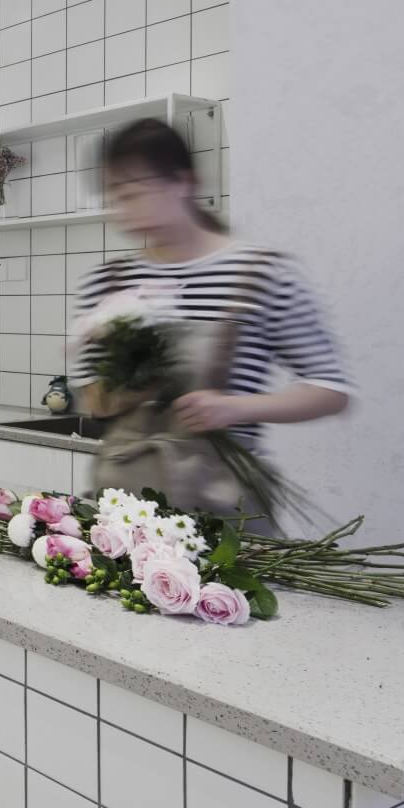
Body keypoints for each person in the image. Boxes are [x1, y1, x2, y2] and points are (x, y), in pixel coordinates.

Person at [69, 117, 350, 513]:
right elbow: (95, 403)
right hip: (125, 508)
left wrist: (235, 408)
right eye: (114, 194)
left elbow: (331, 390)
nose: (122, 208)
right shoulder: (108, 283)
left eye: (134, 191)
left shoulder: (262, 274)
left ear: (184, 182)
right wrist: (139, 383)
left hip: (224, 509)